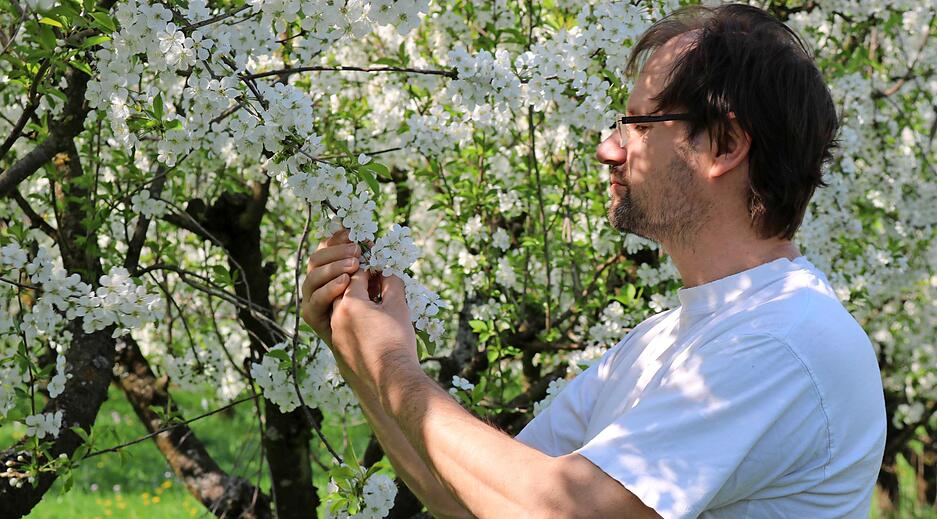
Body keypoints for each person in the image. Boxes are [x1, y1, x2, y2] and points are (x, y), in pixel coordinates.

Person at [301, 4, 886, 518]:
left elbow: (557, 512)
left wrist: (393, 362)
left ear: (723, 146)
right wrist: (357, 352)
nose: (607, 148)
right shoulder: (666, 339)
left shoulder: (782, 341)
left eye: (636, 125)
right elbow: (473, 500)